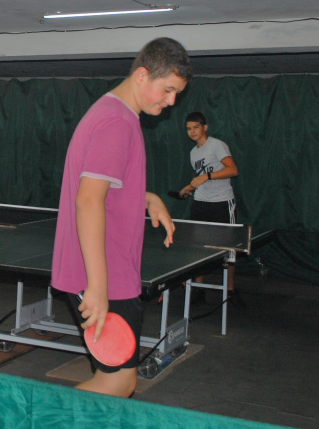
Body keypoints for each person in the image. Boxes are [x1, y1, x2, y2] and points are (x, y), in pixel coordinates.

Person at [51, 37, 191, 397]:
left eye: (177, 94)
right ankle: (40, 418)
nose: (172, 101)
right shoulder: (117, 122)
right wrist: (98, 287)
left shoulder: (113, 113)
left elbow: (103, 187)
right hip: (105, 274)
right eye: (168, 90)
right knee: (118, 380)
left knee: (117, 379)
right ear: (142, 75)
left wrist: (145, 198)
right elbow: (88, 201)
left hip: (108, 271)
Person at [179, 111, 240, 295]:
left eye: (196, 127)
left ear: (205, 128)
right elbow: (201, 178)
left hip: (221, 203)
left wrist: (207, 176)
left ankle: (229, 290)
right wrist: (188, 187)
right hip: (200, 203)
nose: (192, 132)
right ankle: (198, 290)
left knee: (228, 248)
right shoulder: (193, 153)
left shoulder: (217, 145)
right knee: (198, 247)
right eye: (189, 129)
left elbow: (233, 170)